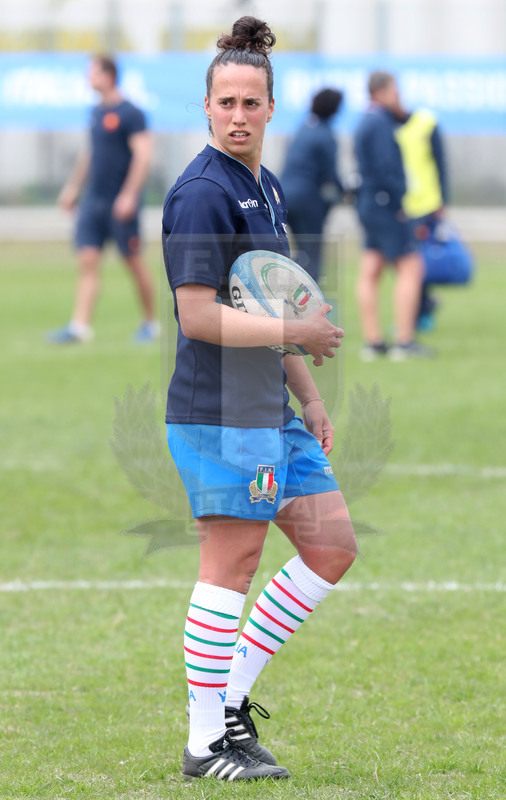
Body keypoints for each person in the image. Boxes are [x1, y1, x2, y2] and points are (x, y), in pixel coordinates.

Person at [162, 16, 356, 782]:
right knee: (232, 565)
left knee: (332, 546)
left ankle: (232, 697)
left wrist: (307, 394)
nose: (238, 115)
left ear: (271, 107)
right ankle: (206, 742)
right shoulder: (202, 193)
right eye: (226, 103)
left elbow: (268, 300)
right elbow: (198, 315)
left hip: (270, 407)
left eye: (251, 103)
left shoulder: (265, 187)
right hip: (219, 411)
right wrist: (295, 334)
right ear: (207, 108)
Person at [48, 55, 158, 344]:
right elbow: (90, 153)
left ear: (108, 76)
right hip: (93, 202)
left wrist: (129, 195)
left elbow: (143, 155)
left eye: (93, 72)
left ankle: (150, 323)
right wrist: (73, 188)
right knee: (87, 259)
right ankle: (79, 327)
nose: (88, 78)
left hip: (120, 203)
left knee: (133, 262)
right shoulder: (96, 112)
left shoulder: (131, 113)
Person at [354, 70, 432, 360]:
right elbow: (387, 167)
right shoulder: (380, 123)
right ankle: (404, 341)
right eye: (395, 91)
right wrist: (400, 202)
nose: (399, 96)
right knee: (412, 267)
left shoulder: (366, 120)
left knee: (371, 269)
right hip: (385, 204)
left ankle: (373, 342)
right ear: (382, 91)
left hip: (368, 202)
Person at [280, 88, 344, 284]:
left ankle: (290, 292)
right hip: (307, 200)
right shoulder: (325, 135)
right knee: (311, 253)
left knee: (296, 252)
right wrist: (344, 192)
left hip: (284, 196)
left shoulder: (302, 128)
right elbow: (330, 175)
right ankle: (309, 299)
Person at [394, 105, 449, 331]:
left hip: (426, 205)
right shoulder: (390, 127)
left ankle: (421, 311)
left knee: (416, 263)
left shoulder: (427, 123)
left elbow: (441, 164)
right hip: (405, 205)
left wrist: (443, 200)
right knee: (409, 264)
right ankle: (422, 307)